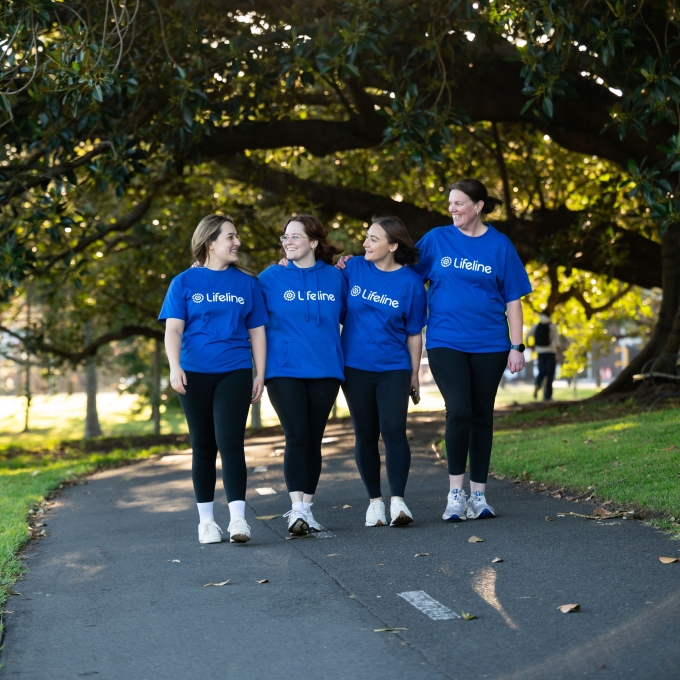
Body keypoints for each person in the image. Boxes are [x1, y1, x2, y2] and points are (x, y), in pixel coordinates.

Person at [411, 179, 532, 521]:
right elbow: (403, 272)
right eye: (450, 203)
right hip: (445, 340)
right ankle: (455, 493)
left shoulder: (500, 245)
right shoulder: (437, 239)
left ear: (478, 206)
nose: (452, 209)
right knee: (459, 409)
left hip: (490, 344)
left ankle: (478, 495)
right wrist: (355, 265)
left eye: (459, 203)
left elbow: (513, 300)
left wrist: (516, 345)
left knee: (481, 415)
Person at [160, 215, 267, 545]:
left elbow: (257, 331)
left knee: (231, 442)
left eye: (237, 236)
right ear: (210, 242)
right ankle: (206, 523)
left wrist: (259, 372)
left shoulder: (247, 284)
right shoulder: (183, 283)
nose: (237, 243)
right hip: (193, 373)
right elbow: (174, 329)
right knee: (203, 445)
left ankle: (238, 520)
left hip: (234, 370)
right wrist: (174, 366)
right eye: (231, 237)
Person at [258, 215, 347, 536]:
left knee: (313, 437)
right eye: (285, 237)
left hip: (325, 368)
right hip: (283, 369)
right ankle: (296, 510)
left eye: (296, 236)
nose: (288, 242)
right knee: (296, 435)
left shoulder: (337, 278)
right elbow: (245, 306)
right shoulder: (270, 278)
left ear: (313, 242)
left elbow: (355, 312)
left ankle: (307, 509)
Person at [338, 217, 427, 528]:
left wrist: (414, 373)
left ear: (393, 245)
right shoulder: (352, 269)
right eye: (366, 237)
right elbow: (318, 275)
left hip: (394, 367)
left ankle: (398, 501)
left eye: (373, 239)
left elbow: (414, 333)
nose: (365, 244)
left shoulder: (411, 283)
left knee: (393, 430)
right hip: (354, 367)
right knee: (365, 433)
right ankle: (375, 502)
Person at [528, 312, 562, 400]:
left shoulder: (536, 326)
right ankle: (548, 396)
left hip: (540, 352)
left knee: (541, 371)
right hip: (551, 352)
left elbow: (527, 336)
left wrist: (530, 346)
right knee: (550, 374)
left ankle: (537, 385)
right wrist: (559, 355)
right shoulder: (552, 326)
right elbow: (557, 342)